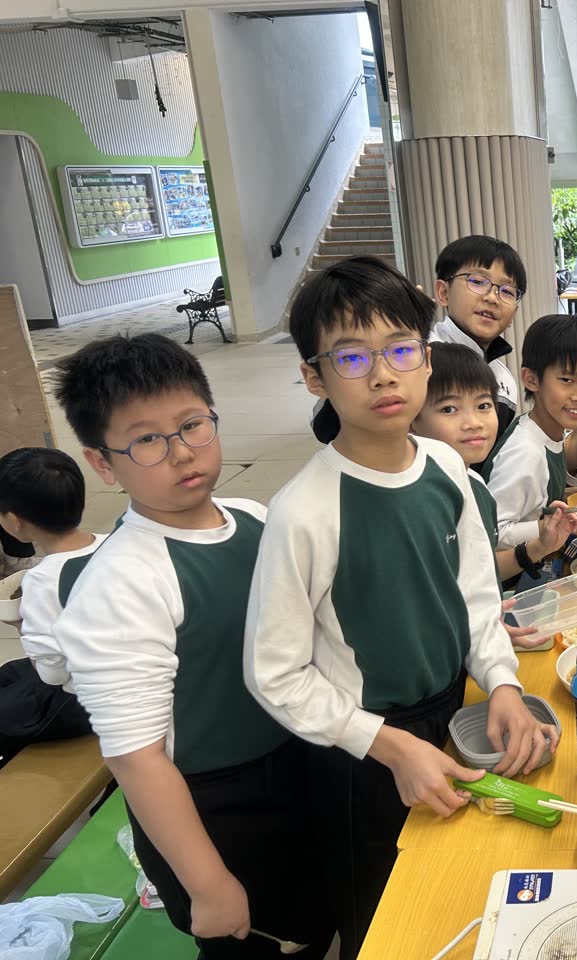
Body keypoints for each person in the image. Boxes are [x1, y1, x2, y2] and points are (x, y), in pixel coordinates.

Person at [244, 257, 553, 960]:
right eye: (352, 357)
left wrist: (502, 683)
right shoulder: (303, 510)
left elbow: (475, 593)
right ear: (315, 377)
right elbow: (275, 674)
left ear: (426, 357)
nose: (383, 375)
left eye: (400, 349)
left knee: (459, 884)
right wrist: (388, 745)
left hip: (452, 710)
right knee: (385, 916)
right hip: (361, 750)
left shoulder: (445, 466)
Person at [49, 334, 332, 958]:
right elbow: (136, 759)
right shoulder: (121, 582)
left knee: (312, 925)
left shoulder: (252, 517)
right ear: (102, 463)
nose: (181, 452)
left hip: (298, 762)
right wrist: (207, 883)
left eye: (192, 424)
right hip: (214, 809)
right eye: (147, 440)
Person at [410, 342, 577, 604]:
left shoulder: (474, 484)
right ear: (412, 419)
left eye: (483, 405)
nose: (474, 423)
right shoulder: (417, 502)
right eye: (449, 409)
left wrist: (541, 545)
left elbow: (480, 571)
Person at [481, 313, 577, 551]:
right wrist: (566, 524)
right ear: (531, 379)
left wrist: (573, 494)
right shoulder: (525, 452)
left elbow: (533, 503)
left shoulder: (545, 431)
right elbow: (492, 534)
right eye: (567, 379)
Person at [0, 447, 105, 687]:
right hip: (150, 673)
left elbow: (53, 676)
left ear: (14, 521)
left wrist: (20, 625)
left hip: (92, 694)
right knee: (9, 673)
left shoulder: (41, 582)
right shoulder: (118, 542)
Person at [430, 235, 527, 433]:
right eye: (477, 281)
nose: (492, 298)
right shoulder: (421, 361)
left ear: (514, 314)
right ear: (443, 292)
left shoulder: (505, 382)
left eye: (507, 291)